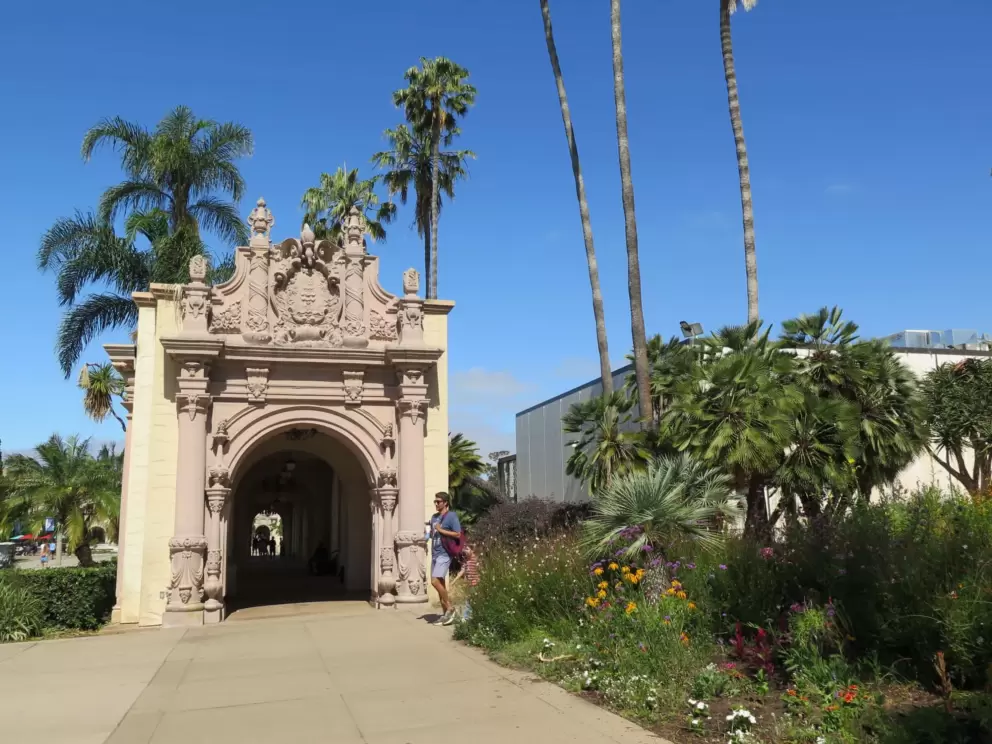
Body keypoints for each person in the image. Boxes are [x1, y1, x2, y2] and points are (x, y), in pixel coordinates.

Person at [429, 492, 462, 626]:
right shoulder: (434, 517)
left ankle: (450, 607)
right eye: (435, 502)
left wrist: (441, 530)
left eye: (439, 502)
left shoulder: (451, 516)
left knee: (434, 581)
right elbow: (432, 534)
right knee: (440, 584)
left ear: (445, 503)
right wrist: (427, 535)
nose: (436, 504)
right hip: (435, 553)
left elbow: (458, 534)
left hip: (444, 553)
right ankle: (446, 615)